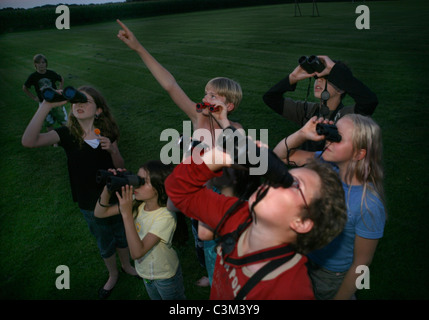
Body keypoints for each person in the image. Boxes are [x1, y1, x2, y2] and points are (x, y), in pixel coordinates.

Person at [116, 19, 247, 287]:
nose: (206, 98)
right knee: (199, 238)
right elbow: (170, 85)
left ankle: (221, 277)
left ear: (229, 105)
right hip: (192, 192)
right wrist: (139, 48)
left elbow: (236, 161)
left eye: (214, 95)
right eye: (206, 92)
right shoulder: (197, 115)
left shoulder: (235, 129)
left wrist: (196, 141)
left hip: (217, 198)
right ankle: (210, 272)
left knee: (217, 241)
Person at [165, 126, 347, 299]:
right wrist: (219, 157)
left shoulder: (290, 290)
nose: (276, 181)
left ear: (301, 222)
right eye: (285, 177)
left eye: (295, 184)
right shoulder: (238, 216)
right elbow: (178, 190)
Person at [21, 86, 137, 299]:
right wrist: (46, 105)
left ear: (99, 110)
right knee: (104, 240)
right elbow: (29, 141)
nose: (80, 105)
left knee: (121, 233)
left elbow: (120, 166)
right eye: (76, 102)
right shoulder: (66, 135)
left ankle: (126, 265)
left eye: (86, 101)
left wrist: (113, 150)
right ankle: (113, 274)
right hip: (89, 202)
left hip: (115, 196)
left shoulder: (108, 133)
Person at [273, 114, 386, 299]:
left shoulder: (368, 204)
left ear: (359, 154)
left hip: (332, 278)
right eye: (331, 132)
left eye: (337, 138)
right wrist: (303, 133)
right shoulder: (324, 164)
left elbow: (362, 264)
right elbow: (279, 156)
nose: (329, 140)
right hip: (304, 259)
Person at [94, 161, 186, 300]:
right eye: (137, 178)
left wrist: (126, 214)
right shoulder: (138, 203)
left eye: (144, 181)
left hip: (165, 276)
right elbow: (100, 213)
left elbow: (137, 252)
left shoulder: (166, 216)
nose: (137, 184)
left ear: (159, 188)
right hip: (145, 272)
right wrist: (108, 187)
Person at [263, 55, 378, 151]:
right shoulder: (308, 110)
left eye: (326, 79)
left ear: (342, 88)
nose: (319, 80)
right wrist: (292, 78)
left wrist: (335, 69)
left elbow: (369, 101)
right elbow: (270, 98)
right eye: (317, 77)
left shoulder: (348, 116)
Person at [23, 54, 68, 132]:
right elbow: (25, 87)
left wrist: (60, 89)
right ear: (35, 64)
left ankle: (67, 136)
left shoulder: (51, 73)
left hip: (55, 101)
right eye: (38, 63)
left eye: (43, 62)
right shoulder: (33, 76)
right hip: (43, 103)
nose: (41, 65)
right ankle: (54, 142)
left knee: (63, 121)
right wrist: (34, 97)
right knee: (48, 123)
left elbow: (61, 79)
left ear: (46, 64)